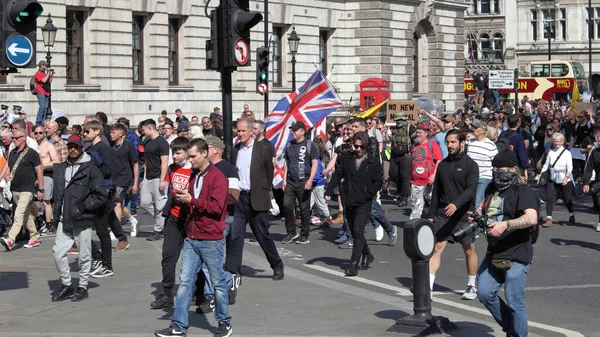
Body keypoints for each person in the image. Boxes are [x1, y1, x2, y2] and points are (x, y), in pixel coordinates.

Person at [154, 138, 233, 337]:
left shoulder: (218, 178)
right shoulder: (193, 175)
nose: (190, 160)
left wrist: (192, 201)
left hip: (211, 239)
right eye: (188, 156)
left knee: (217, 284)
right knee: (185, 282)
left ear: (205, 153)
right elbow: (193, 201)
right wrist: (183, 198)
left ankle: (224, 322)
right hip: (192, 236)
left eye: (193, 156)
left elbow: (217, 208)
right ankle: (178, 326)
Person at [475, 151, 539, 337]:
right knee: (485, 293)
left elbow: (532, 218)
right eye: (494, 169)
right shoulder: (491, 188)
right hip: (495, 250)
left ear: (513, 170)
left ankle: (517, 334)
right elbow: (481, 207)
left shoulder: (522, 191)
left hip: (517, 251)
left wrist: (506, 224)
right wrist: (477, 215)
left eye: (501, 169)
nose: (497, 173)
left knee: (514, 299)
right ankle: (512, 327)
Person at [50, 135, 108, 302]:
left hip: (82, 219)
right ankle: (67, 285)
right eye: (70, 146)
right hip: (63, 217)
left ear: (82, 147)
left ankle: (83, 286)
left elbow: (101, 195)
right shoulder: (62, 168)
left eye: (76, 146)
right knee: (58, 253)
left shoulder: (90, 169)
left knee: (84, 255)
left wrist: (82, 207)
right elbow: (58, 194)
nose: (72, 149)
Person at [229, 119, 284, 280]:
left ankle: (277, 264)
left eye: (243, 131)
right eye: (238, 131)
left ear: (251, 131)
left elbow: (269, 172)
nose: (240, 134)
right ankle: (233, 271)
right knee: (235, 234)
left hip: (256, 198)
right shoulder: (235, 150)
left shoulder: (264, 148)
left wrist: (263, 192)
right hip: (239, 199)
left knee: (262, 235)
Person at [428, 130, 480, 300]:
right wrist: (431, 214)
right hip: (443, 214)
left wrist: (456, 204)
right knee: (437, 248)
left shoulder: (471, 165)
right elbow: (436, 192)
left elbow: (471, 190)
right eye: (447, 143)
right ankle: (428, 285)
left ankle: (471, 285)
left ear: (462, 143)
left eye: (453, 142)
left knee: (469, 250)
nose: (449, 146)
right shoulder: (442, 165)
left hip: (464, 215)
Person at [325, 132, 383, 276]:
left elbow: (378, 182)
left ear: (366, 146)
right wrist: (329, 190)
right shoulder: (347, 159)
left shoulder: (373, 161)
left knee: (357, 231)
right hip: (349, 199)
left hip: (364, 201)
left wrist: (368, 193)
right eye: (356, 146)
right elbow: (338, 175)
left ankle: (353, 263)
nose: (358, 149)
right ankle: (367, 255)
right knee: (354, 231)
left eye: (361, 147)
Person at [151, 137, 193, 310]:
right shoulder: (171, 168)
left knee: (195, 259)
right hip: (174, 218)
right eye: (173, 153)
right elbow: (170, 190)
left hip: (191, 218)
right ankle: (167, 293)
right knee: (168, 256)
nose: (175, 156)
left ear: (187, 153)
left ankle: (200, 294)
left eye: (178, 153)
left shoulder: (195, 170)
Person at [0, 129, 44, 251]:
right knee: (26, 214)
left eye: (16, 138)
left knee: (18, 213)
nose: (14, 140)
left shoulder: (32, 153)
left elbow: (39, 170)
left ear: (24, 137)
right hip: (15, 189)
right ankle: (34, 236)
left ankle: (10, 239)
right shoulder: (13, 153)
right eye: (13, 138)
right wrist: (6, 175)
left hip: (27, 189)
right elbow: (8, 167)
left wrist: (41, 188)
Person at [281, 121, 318, 245]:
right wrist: (284, 179)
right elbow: (286, 162)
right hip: (291, 181)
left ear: (302, 131)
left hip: (304, 181)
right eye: (292, 130)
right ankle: (291, 232)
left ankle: (304, 235)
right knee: (286, 205)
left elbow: (314, 163)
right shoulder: (289, 145)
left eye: (295, 130)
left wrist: (310, 179)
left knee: (304, 209)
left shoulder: (310, 145)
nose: (293, 132)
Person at [109, 123, 139, 251]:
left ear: (121, 133)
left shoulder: (128, 146)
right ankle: (132, 220)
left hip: (125, 179)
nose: (111, 134)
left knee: (116, 203)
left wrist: (135, 183)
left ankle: (116, 229)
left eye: (114, 132)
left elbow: (135, 165)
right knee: (118, 205)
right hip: (112, 179)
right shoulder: (111, 146)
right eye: (111, 132)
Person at [140, 119, 170, 241]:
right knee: (144, 203)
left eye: (143, 130)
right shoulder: (146, 142)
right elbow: (146, 161)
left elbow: (165, 162)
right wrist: (144, 178)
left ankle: (158, 230)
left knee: (159, 204)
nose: (142, 132)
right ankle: (164, 219)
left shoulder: (162, 142)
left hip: (159, 177)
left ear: (150, 128)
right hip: (149, 177)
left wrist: (162, 180)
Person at [538, 133, 574, 227]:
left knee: (566, 199)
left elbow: (570, 167)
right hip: (552, 178)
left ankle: (571, 214)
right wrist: (540, 175)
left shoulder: (567, 153)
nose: (557, 143)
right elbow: (546, 165)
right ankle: (549, 219)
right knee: (550, 198)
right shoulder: (550, 152)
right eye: (555, 141)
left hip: (564, 178)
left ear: (562, 142)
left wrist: (566, 178)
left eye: (559, 141)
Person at [409, 123, 442, 220]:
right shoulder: (415, 145)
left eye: (420, 132)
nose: (418, 134)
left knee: (433, 202)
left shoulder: (432, 144)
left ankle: (436, 221)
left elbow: (439, 159)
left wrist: (434, 175)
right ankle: (414, 227)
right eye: (417, 132)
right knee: (416, 205)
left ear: (426, 133)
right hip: (416, 181)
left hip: (429, 181)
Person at [33, 125, 60, 235]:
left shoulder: (49, 146)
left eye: (40, 133)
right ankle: (40, 222)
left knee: (46, 201)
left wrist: (42, 165)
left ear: (44, 134)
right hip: (33, 176)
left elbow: (57, 161)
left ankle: (49, 225)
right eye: (36, 133)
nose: (38, 135)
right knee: (31, 201)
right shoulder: (33, 146)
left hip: (46, 175)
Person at [467, 121, 499, 207]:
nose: (474, 129)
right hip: (470, 177)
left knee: (478, 202)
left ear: (483, 131)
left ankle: (478, 219)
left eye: (476, 128)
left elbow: (496, 162)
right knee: (469, 202)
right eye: (473, 127)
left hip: (484, 177)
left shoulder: (491, 145)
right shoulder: (470, 142)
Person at [583, 122, 600, 232]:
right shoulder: (595, 152)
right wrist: (586, 182)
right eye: (598, 141)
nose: (599, 143)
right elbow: (589, 168)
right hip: (599, 179)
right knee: (595, 193)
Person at [35, 60, 54, 125]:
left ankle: (43, 121)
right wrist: (48, 73)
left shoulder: (44, 74)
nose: (45, 67)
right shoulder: (38, 73)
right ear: (41, 66)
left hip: (46, 92)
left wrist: (52, 75)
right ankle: (38, 121)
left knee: (45, 108)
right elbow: (44, 80)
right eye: (45, 65)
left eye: (46, 65)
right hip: (41, 92)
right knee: (42, 106)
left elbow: (49, 81)